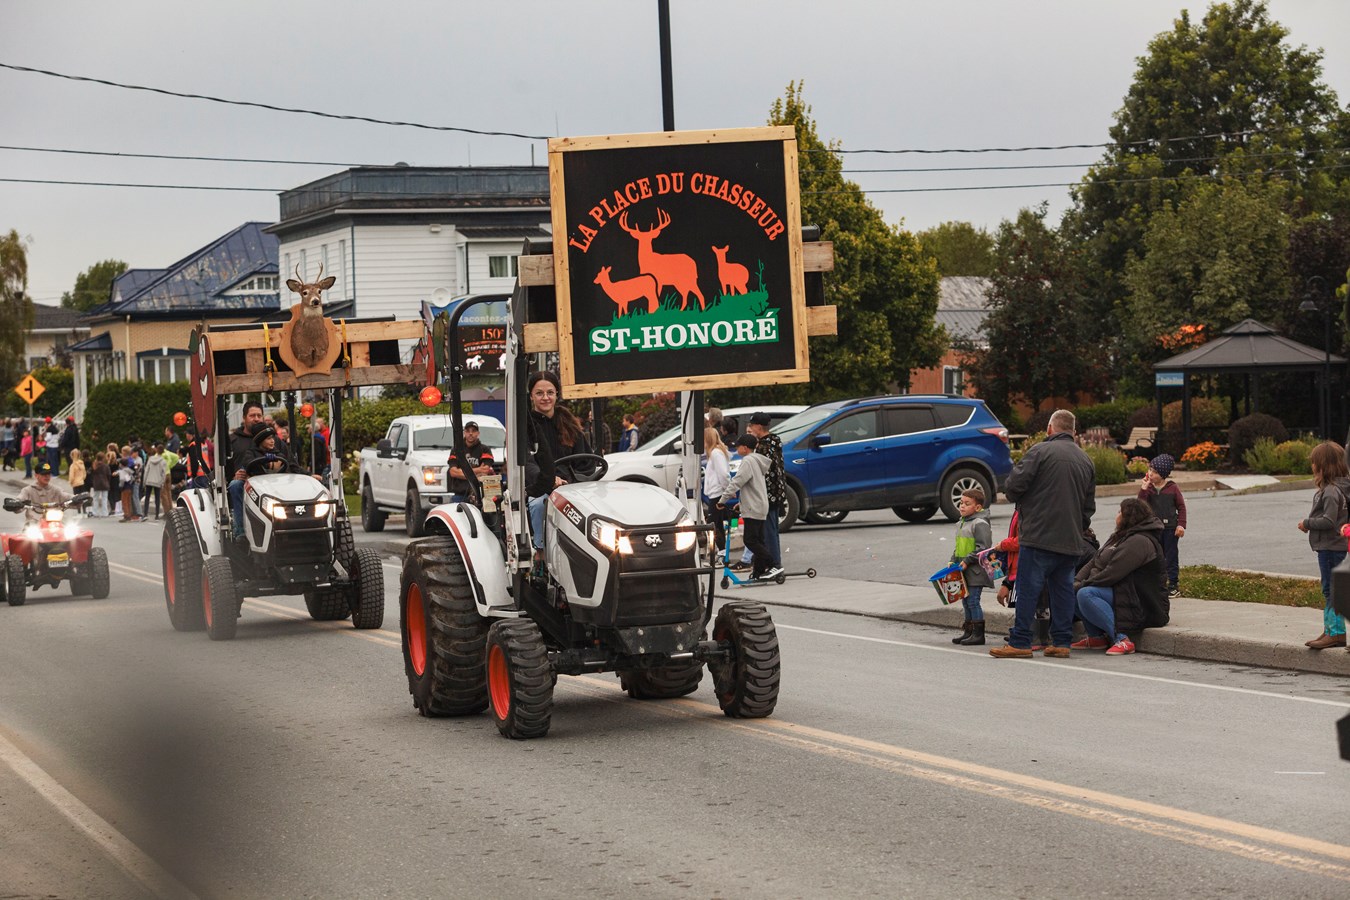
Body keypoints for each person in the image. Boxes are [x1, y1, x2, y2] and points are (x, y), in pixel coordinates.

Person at [991, 409, 1096, 659]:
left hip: (1038, 536)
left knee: (1029, 589)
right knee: (1062, 591)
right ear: (1073, 432)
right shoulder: (1086, 460)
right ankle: (1061, 642)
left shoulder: (1039, 451)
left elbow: (1013, 487)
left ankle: (1020, 641)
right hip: (1070, 540)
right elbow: (1088, 508)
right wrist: (1076, 527)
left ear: (1050, 428)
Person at [1072, 498, 1168, 656]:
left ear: (1129, 517)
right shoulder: (1119, 536)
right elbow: (1094, 560)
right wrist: (1076, 581)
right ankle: (1096, 637)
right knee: (1071, 591)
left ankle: (1122, 639)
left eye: (1119, 512)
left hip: (1143, 601)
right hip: (1123, 593)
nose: (1116, 514)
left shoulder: (1140, 541)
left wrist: (1083, 584)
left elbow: (1112, 573)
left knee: (1086, 594)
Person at [525, 371, 594, 555]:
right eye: (539, 393)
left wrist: (576, 481)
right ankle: (541, 552)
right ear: (531, 396)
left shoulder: (569, 424)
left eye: (550, 392)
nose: (545, 397)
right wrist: (548, 479)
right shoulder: (525, 426)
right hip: (540, 487)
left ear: (556, 394)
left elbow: (585, 460)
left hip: (570, 487)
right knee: (539, 504)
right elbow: (527, 463)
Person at [1299, 441, 1350, 650]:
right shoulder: (1339, 488)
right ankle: (1331, 629)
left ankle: (1336, 633)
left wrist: (1307, 523)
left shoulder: (1330, 491)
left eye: (1314, 463)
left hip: (1330, 547)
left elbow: (1329, 521)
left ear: (1324, 466)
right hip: (1335, 547)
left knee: (1330, 590)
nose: (1312, 467)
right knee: (1331, 589)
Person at [717, 434, 782, 581]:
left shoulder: (747, 461)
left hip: (754, 508)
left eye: (738, 446)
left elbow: (737, 482)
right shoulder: (757, 460)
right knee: (759, 540)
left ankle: (774, 565)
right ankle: (759, 572)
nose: (736, 449)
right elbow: (753, 486)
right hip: (760, 504)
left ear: (745, 448)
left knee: (750, 541)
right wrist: (741, 503)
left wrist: (722, 500)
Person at [735, 412, 786, 572]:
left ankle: (774, 565)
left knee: (767, 533)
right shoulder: (775, 442)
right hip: (777, 492)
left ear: (758, 426)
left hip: (765, 494)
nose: (750, 428)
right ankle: (767, 564)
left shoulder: (762, 448)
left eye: (751, 425)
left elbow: (757, 476)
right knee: (772, 531)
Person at [950, 487, 994, 646]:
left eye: (967, 504)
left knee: (973, 601)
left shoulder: (980, 523)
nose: (962, 506)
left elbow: (984, 547)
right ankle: (968, 632)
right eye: (961, 503)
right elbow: (959, 547)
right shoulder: (961, 523)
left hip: (976, 570)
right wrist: (953, 560)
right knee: (965, 600)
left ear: (978, 507)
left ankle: (978, 634)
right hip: (963, 570)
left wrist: (968, 560)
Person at [1138, 452, 1186, 598]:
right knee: (1154, 556)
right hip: (1154, 529)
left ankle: (1173, 585)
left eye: (1155, 472)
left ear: (1163, 474)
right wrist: (1144, 489)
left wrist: (1181, 525)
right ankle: (1157, 583)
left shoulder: (1173, 488)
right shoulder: (1149, 489)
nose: (1151, 474)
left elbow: (1181, 507)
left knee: (1171, 556)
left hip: (1170, 528)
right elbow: (1140, 505)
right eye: (1150, 469)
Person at [227, 402, 266, 538]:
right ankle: (240, 531)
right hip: (244, 485)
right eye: (252, 415)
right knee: (235, 485)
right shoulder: (232, 440)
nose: (256, 419)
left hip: (267, 483)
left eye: (259, 415)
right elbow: (224, 468)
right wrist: (233, 475)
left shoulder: (270, 439)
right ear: (244, 417)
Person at [447, 421, 495, 502]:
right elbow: (453, 472)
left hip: (479, 495)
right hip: (459, 495)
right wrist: (478, 470)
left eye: (473, 431)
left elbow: (485, 471)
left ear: (478, 433)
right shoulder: (456, 449)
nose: (470, 433)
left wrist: (460, 472)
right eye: (468, 431)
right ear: (464, 433)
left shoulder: (485, 450)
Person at [702, 426, 732, 554]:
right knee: (718, 523)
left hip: (717, 493)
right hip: (717, 493)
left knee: (713, 524)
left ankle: (722, 551)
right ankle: (722, 551)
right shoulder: (716, 453)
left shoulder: (715, 453)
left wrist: (728, 490)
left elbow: (723, 474)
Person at [142, 443, 167, 520]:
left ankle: (145, 513)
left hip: (149, 479)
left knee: (147, 497)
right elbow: (163, 473)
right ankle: (157, 515)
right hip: (157, 481)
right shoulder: (163, 461)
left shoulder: (150, 459)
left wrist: (144, 480)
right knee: (157, 498)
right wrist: (162, 482)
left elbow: (146, 470)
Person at [118, 446, 142, 522]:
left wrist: (120, 485)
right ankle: (130, 513)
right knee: (129, 500)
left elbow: (123, 477)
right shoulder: (132, 461)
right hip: (131, 482)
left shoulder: (127, 461)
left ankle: (129, 514)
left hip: (127, 483)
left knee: (126, 500)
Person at [89, 451, 111, 517]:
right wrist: (108, 481)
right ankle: (105, 512)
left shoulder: (94, 466)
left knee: (95, 498)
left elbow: (90, 474)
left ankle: (95, 512)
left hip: (96, 483)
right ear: (103, 458)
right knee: (104, 498)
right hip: (105, 483)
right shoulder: (106, 466)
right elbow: (109, 475)